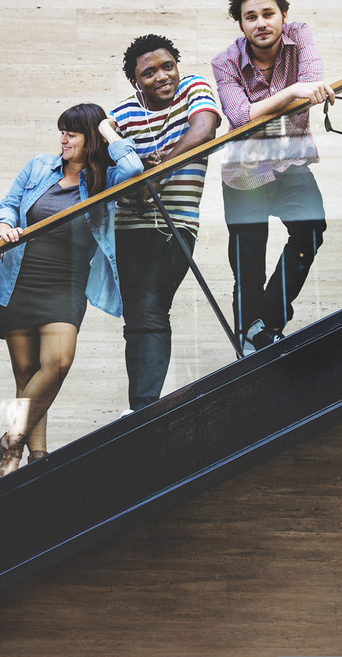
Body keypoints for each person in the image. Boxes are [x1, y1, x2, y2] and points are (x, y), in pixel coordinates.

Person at [0, 103, 143, 475]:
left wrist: (108, 131)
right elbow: (7, 206)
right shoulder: (39, 166)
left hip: (66, 285)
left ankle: (12, 435)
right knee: (26, 374)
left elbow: (135, 168)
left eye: (71, 133)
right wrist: (3, 228)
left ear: (90, 139)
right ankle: (27, 458)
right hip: (19, 279)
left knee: (56, 363)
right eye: (62, 132)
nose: (63, 140)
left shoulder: (105, 178)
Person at [211, 0, 333, 354]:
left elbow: (312, 86)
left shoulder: (301, 36)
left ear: (284, 15)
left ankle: (264, 324)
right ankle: (249, 344)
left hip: (290, 160)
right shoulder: (225, 62)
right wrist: (292, 91)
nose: (261, 23)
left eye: (268, 13)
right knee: (248, 259)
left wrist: (297, 91)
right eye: (251, 17)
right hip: (243, 171)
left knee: (311, 228)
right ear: (241, 24)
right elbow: (240, 116)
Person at [110, 35, 221, 412]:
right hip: (127, 227)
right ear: (134, 81)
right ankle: (140, 407)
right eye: (149, 72)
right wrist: (135, 176)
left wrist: (158, 173)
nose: (162, 76)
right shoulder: (122, 115)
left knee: (151, 308)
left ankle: (143, 408)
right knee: (138, 315)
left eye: (167, 66)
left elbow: (204, 129)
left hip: (177, 226)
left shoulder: (193, 86)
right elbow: (110, 171)